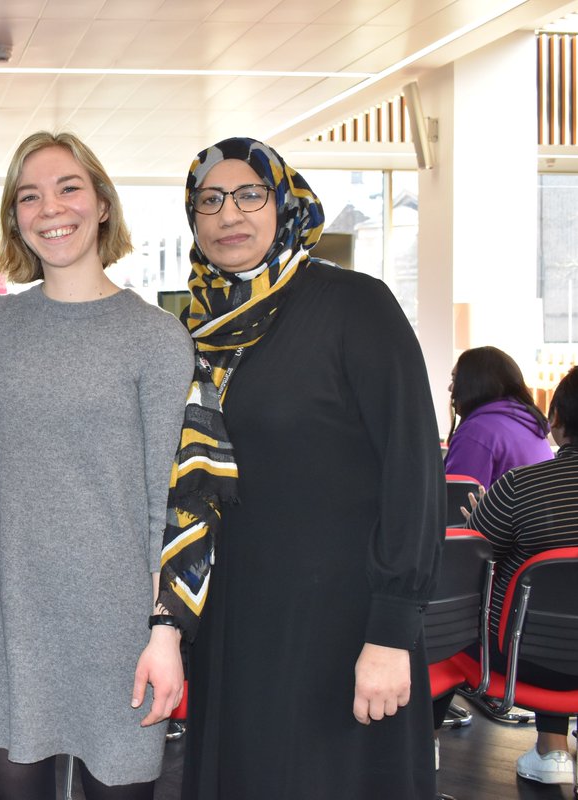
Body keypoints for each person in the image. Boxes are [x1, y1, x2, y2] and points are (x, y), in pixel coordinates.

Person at [171, 137, 444, 799]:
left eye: (249, 195)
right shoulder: (192, 327)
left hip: (339, 626)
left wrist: (391, 632)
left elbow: (413, 471)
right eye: (210, 200)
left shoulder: (356, 306)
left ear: (285, 202)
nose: (228, 214)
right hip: (233, 625)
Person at [0, 131, 189, 799]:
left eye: (68, 187)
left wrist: (164, 629)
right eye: (29, 195)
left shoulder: (156, 337)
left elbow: (166, 501)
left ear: (103, 203)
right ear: (15, 218)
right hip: (11, 615)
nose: (50, 208)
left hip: (119, 627)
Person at [450, 365, 578, 784]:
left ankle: (422, 754)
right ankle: (552, 747)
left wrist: (476, 521)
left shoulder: (519, 488)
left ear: (556, 419)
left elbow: (469, 558)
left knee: (456, 620)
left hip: (523, 661)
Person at [445, 345, 553, 487]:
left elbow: (457, 500)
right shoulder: (529, 423)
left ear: (473, 383)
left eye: (454, 380)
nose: (450, 388)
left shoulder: (477, 432)